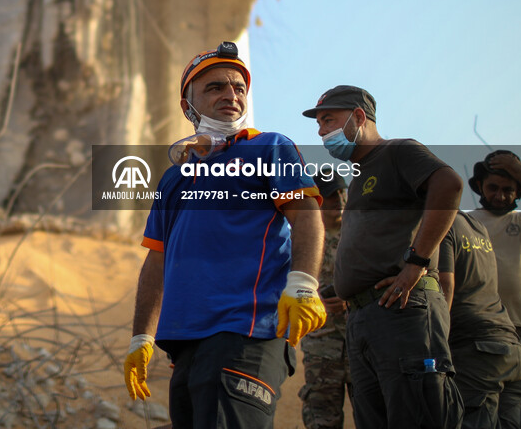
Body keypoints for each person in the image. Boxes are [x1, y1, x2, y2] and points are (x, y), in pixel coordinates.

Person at [124, 42, 326, 428]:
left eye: (238, 88)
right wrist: (141, 339)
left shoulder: (270, 147)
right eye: (216, 87)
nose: (232, 95)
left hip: (246, 332)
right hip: (184, 344)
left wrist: (303, 283)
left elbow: (306, 215)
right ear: (189, 107)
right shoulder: (174, 178)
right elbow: (157, 259)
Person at [302, 85, 464, 429]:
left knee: (417, 415)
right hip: (363, 320)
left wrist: (416, 264)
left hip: (401, 313)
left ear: (359, 117)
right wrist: (338, 289)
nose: (321, 132)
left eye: (328, 120)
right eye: (318, 124)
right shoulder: (360, 175)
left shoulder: (397, 152)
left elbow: (449, 184)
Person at [438, 210, 521, 428]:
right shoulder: (477, 228)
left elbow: (445, 287)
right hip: (512, 348)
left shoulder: (440, 224)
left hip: (478, 353)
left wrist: (437, 344)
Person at [470, 150, 521, 425]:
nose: (501, 196)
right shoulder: (464, 222)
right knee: (480, 410)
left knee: (513, 413)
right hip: (477, 329)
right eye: (493, 187)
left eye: (509, 190)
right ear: (480, 186)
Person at [299, 170, 352, 429]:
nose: (340, 201)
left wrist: (350, 300)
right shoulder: (302, 242)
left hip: (361, 343)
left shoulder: (363, 238)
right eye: (332, 196)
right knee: (322, 418)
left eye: (342, 193)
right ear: (318, 200)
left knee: (375, 414)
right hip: (321, 348)